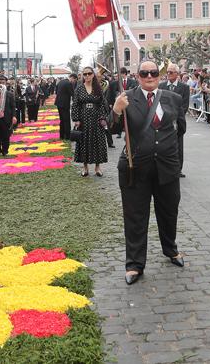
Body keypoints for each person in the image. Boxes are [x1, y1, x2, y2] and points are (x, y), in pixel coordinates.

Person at [111, 60, 186, 285]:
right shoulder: (126, 97)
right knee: (135, 216)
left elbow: (180, 129)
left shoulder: (174, 98)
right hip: (136, 167)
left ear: (159, 75)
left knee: (168, 212)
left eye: (154, 72)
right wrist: (116, 111)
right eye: (145, 73)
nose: (150, 76)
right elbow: (113, 129)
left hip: (167, 167)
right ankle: (134, 264)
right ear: (137, 75)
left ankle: (170, 249)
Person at [72, 66, 109, 177]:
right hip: (83, 119)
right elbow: (75, 105)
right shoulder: (79, 88)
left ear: (93, 74)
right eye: (85, 74)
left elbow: (103, 104)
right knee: (83, 142)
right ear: (83, 76)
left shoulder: (98, 88)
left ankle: (97, 167)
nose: (87, 76)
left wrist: (102, 117)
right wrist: (76, 119)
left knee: (97, 141)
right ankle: (85, 167)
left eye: (89, 73)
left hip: (96, 118)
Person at [160, 63, 189, 177]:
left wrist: (177, 118)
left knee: (178, 145)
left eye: (171, 72)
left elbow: (185, 105)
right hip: (164, 121)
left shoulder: (184, 87)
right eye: (167, 72)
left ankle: (178, 169)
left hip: (177, 121)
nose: (168, 74)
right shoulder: (161, 86)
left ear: (177, 74)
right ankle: (165, 167)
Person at [54, 74, 75, 140]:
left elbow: (56, 92)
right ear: (72, 78)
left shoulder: (61, 81)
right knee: (66, 120)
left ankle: (62, 135)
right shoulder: (68, 83)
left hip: (59, 103)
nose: (74, 82)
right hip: (64, 104)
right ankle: (67, 136)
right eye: (74, 80)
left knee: (62, 120)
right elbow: (72, 93)